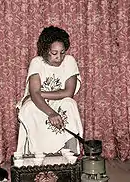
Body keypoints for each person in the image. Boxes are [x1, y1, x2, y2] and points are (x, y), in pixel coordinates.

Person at [16, 26, 83, 155]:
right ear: (46, 50)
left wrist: (37, 93)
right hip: (38, 103)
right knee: (29, 108)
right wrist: (51, 112)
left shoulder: (70, 61)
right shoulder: (37, 62)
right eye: (54, 53)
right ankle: (36, 155)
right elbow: (34, 97)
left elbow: (68, 92)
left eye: (62, 52)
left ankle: (70, 155)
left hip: (58, 101)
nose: (59, 57)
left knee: (70, 104)